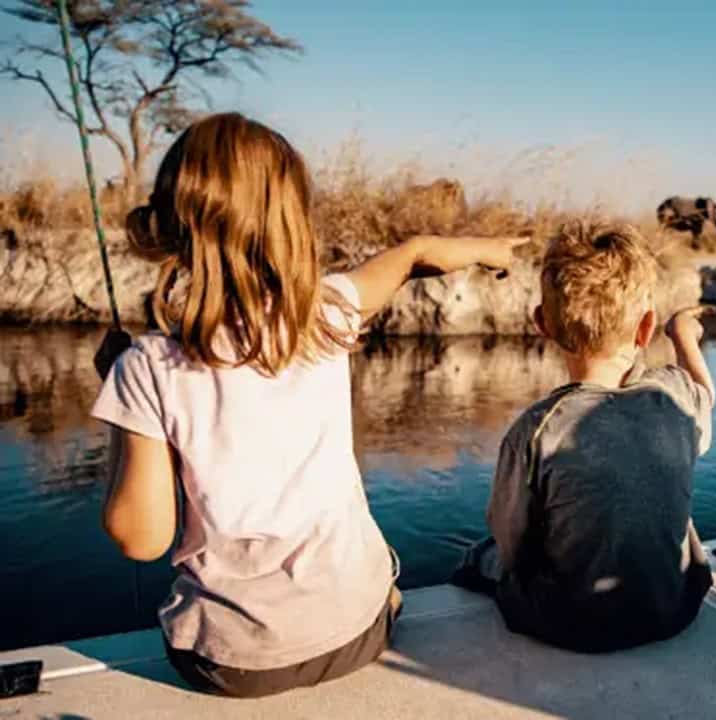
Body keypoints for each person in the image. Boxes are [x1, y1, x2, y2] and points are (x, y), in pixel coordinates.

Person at [90, 112, 525, 698]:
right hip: (358, 632)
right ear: (290, 222)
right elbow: (399, 264)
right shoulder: (329, 313)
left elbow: (140, 538)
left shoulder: (147, 365)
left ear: (174, 221)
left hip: (229, 666)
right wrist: (475, 248)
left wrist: (120, 399)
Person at [453, 220, 715, 652]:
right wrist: (683, 337)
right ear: (646, 327)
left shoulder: (534, 431)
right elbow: (707, 394)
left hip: (571, 623)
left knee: (483, 556)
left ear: (543, 324)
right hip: (675, 607)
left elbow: (511, 540)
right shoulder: (676, 397)